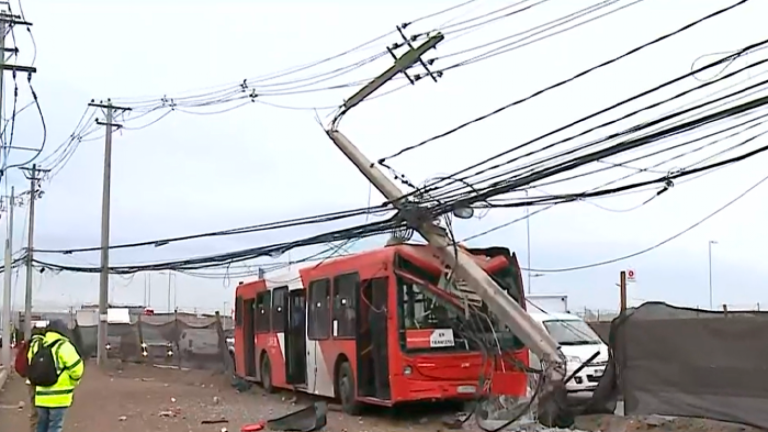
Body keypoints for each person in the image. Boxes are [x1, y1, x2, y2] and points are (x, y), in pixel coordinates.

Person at [27, 320, 84, 432]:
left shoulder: (37, 345)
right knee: (55, 426)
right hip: (60, 397)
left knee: (41, 425)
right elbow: (77, 369)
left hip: (41, 396)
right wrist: (72, 381)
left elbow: (31, 363)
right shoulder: (64, 346)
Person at [14, 326, 46, 432]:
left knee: (34, 409)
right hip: (40, 381)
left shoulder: (28, 344)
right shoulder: (42, 344)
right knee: (42, 411)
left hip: (30, 380)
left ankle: (33, 429)